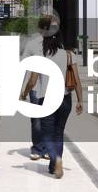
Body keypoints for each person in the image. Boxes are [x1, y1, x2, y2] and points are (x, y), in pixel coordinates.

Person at [19, 21, 82, 179]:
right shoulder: (69, 55)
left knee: (47, 134)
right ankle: (54, 166)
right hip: (65, 99)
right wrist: (80, 100)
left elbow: (33, 80)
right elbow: (76, 79)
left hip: (46, 99)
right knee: (58, 133)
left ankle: (56, 159)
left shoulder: (41, 56)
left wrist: (24, 93)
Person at [21, 14, 52, 160]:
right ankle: (46, 149)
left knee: (37, 119)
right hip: (53, 86)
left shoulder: (32, 44)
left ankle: (37, 149)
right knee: (49, 118)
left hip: (36, 88)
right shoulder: (57, 44)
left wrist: (22, 90)